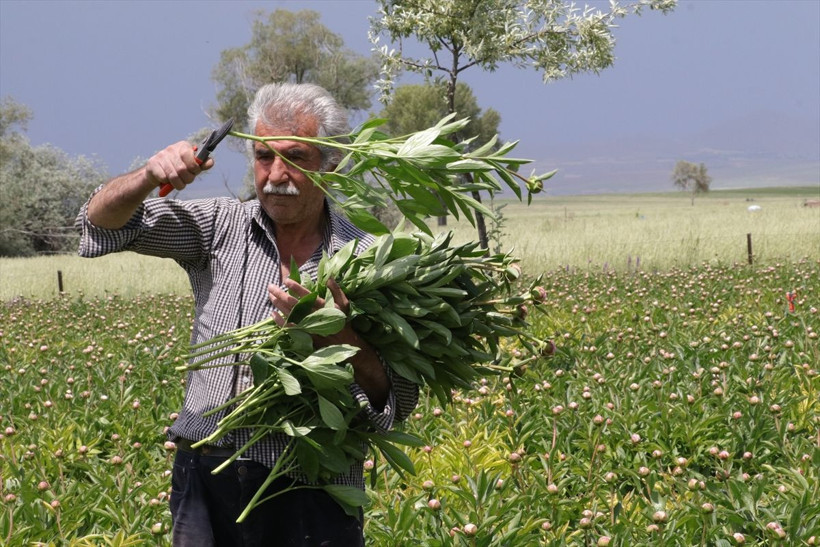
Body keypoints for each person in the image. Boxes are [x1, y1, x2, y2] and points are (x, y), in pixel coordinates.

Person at [76, 82, 419, 546]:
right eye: (263, 157)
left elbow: (395, 399)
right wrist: (146, 176)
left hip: (313, 482)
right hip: (205, 472)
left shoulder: (367, 259)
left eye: (296, 158)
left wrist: (341, 341)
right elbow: (99, 226)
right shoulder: (218, 226)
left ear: (331, 165)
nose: (276, 174)